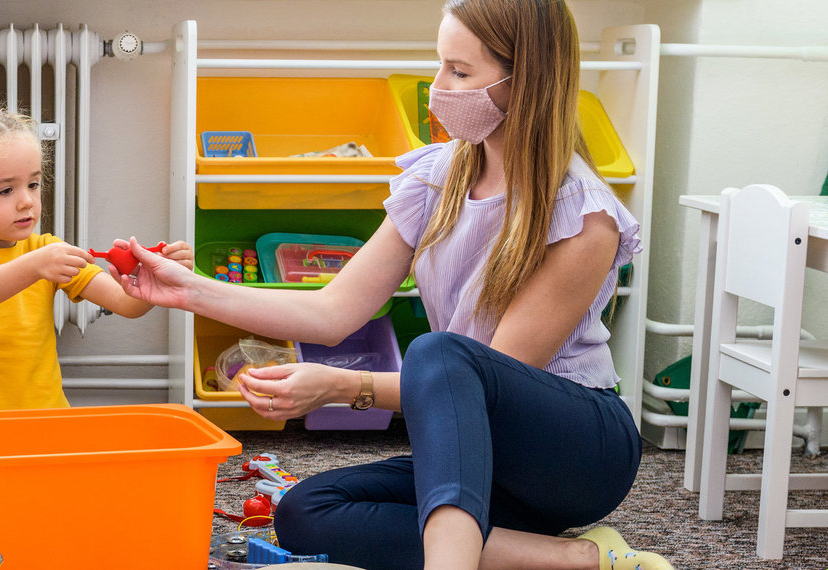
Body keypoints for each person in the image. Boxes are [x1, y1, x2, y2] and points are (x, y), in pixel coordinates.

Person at [114, 1, 673, 569]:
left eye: (459, 73)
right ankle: (580, 560)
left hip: (573, 450)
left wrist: (338, 387)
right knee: (306, 511)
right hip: (479, 449)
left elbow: (482, 383)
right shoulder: (438, 177)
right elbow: (333, 311)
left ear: (524, 81)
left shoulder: (583, 215)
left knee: (442, 354)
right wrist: (187, 289)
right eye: (440, 67)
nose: (437, 89)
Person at [0, 111, 192, 411]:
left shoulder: (46, 250)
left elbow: (126, 304)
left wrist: (151, 282)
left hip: (48, 418)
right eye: (6, 190)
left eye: (33, 185)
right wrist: (35, 265)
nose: (27, 201)